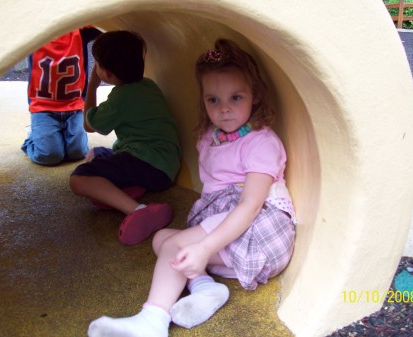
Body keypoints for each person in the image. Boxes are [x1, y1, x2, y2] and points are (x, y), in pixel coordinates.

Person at [87, 38, 297, 337]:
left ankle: (152, 321)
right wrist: (200, 248)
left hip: (260, 233)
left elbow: (249, 206)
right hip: (230, 236)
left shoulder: (261, 142)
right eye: (213, 100)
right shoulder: (210, 137)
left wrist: (204, 247)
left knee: (175, 246)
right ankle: (205, 288)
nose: (224, 109)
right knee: (162, 239)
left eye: (236, 98)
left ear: (256, 96)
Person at [69, 31, 181, 246]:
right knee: (97, 154)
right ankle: (125, 192)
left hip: (146, 164)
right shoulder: (148, 85)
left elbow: (88, 125)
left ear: (108, 73)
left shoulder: (120, 98)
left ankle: (140, 211)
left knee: (79, 179)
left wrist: (91, 85)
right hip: (164, 164)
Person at [21, 26, 101, 165]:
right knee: (50, 156)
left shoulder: (80, 31)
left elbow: (103, 20)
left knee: (78, 152)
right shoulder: (34, 33)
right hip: (43, 108)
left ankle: (51, 135)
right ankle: (32, 136)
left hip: (73, 107)